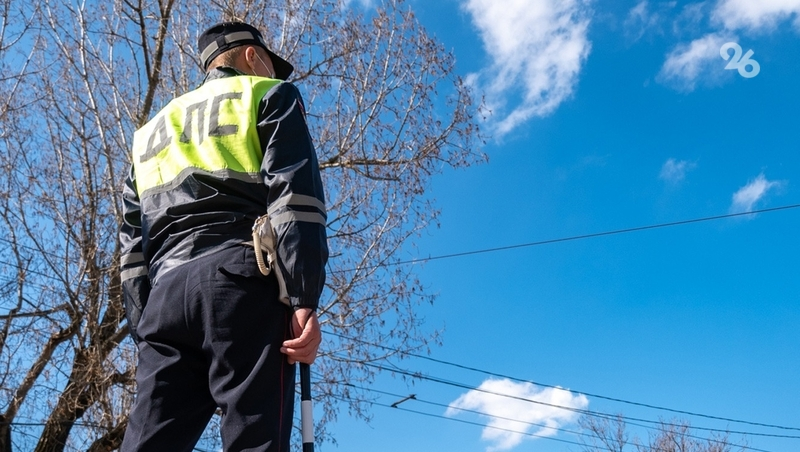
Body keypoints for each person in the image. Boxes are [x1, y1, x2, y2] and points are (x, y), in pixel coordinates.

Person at [118, 21, 328, 452]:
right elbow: (295, 201)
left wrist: (145, 330)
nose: (272, 72)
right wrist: (303, 297)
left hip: (163, 301)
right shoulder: (269, 94)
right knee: (255, 442)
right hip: (239, 281)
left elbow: (132, 253)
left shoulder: (148, 135)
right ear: (252, 56)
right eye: (269, 63)